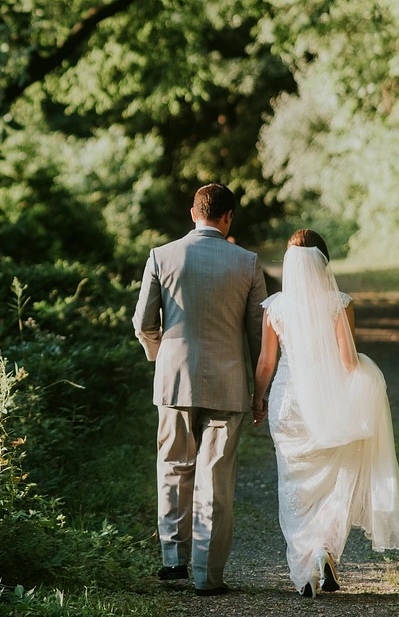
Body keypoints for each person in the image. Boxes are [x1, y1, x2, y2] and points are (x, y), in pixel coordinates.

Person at [251, 229, 399, 597]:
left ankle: (305, 567)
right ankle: (324, 551)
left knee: (294, 485)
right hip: (327, 404)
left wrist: (258, 400)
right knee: (335, 480)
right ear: (324, 263)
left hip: (288, 404)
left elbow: (266, 362)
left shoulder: (276, 307)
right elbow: (347, 361)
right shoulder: (339, 303)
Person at [132, 183, 267, 596]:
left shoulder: (161, 256)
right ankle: (208, 575)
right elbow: (258, 336)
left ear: (194, 213)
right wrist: (259, 392)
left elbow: (143, 323)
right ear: (228, 218)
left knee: (173, 467)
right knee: (216, 476)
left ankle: (173, 562)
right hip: (228, 383)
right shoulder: (247, 263)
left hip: (174, 379)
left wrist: (161, 355)